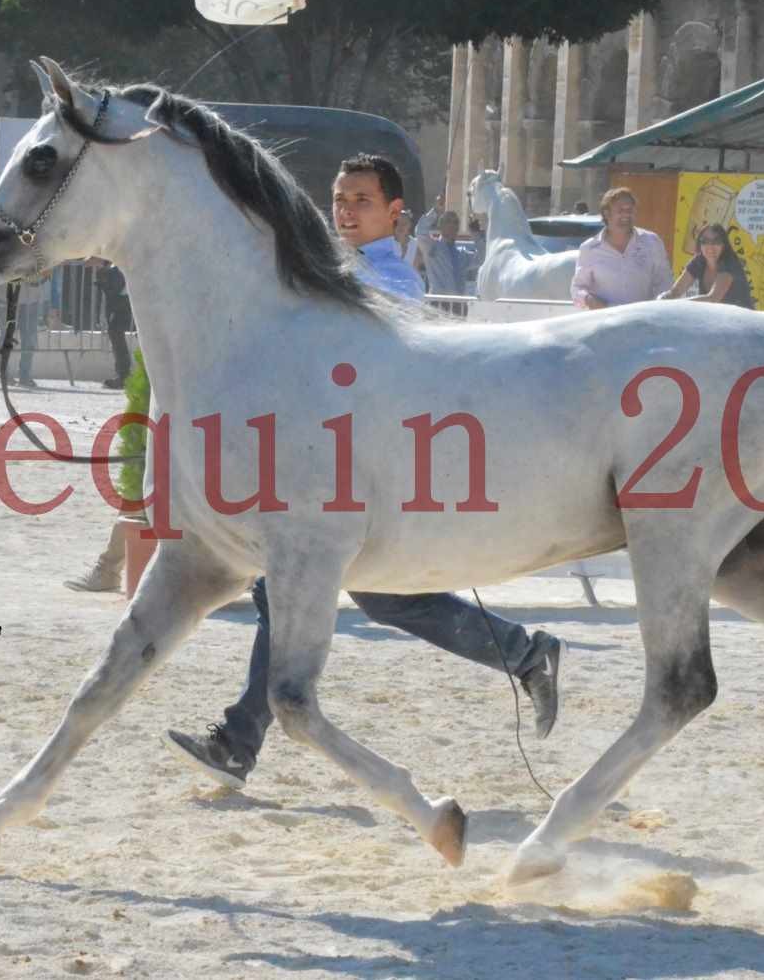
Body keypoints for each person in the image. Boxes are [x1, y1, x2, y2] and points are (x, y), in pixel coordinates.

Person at [162, 152, 564, 789]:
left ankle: (239, 743)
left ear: (394, 213)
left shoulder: (392, 285)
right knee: (367, 599)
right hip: (326, 470)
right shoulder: (327, 266)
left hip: (373, 473)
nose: (345, 211)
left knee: (307, 597)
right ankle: (523, 651)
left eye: (362, 201)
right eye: (339, 199)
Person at [571, 187, 673, 309]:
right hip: (604, 321)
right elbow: (577, 288)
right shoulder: (589, 249)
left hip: (643, 320)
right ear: (607, 213)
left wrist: (657, 308)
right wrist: (589, 300)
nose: (626, 214)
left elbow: (665, 282)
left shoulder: (651, 242)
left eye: (629, 210)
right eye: (620, 210)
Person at [665, 223, 756, 309]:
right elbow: (675, 292)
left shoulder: (730, 263)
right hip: (715, 320)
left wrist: (679, 305)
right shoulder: (699, 261)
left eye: (716, 241)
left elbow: (713, 299)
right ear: (700, 245)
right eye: (705, 241)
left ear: (724, 245)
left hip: (742, 320)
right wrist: (660, 302)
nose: (710, 246)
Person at [415, 198, 484, 297]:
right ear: (440, 225)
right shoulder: (432, 247)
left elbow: (482, 258)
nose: (452, 225)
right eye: (448, 221)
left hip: (458, 306)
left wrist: (476, 234)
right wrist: (435, 211)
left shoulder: (462, 254)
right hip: (438, 305)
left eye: (455, 222)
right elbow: (420, 231)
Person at [92, 258, 135, 388]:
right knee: (115, 333)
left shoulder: (114, 268)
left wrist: (102, 269)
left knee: (117, 333)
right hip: (123, 300)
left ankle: (127, 376)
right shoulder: (111, 267)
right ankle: (124, 376)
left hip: (129, 299)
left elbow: (115, 285)